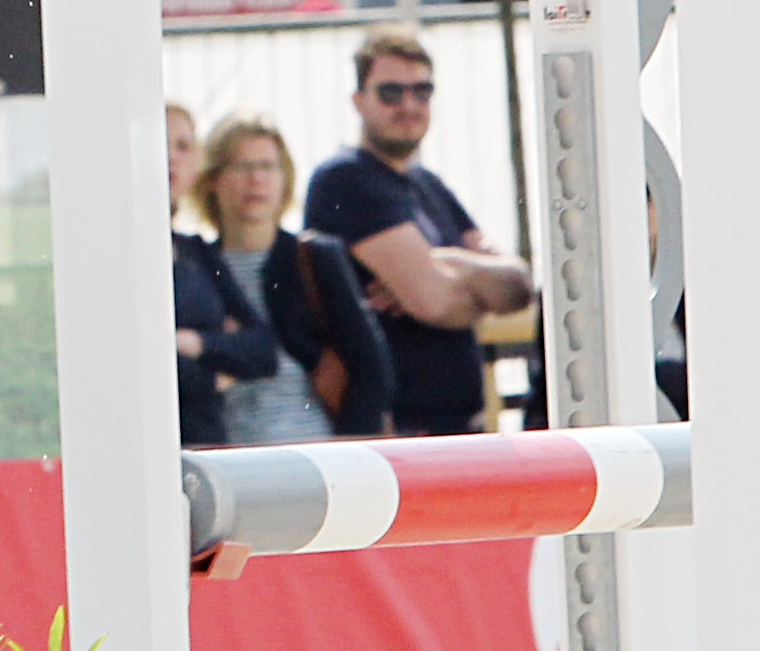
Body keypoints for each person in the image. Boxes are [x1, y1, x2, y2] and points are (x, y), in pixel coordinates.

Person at [305, 25, 533, 436]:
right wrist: (476, 286)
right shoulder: (346, 180)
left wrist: (446, 263)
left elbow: (518, 287)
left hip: (462, 428)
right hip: (394, 433)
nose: (409, 104)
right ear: (358, 100)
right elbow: (435, 303)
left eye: (422, 91)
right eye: (391, 92)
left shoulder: (428, 185)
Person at [195, 113, 392, 441]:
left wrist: (350, 453)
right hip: (223, 459)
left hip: (312, 451)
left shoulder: (313, 258)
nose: (256, 178)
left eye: (269, 167)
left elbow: (372, 371)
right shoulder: (196, 264)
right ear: (213, 179)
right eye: (241, 166)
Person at [164, 98, 278, 445]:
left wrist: (195, 342)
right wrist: (211, 377)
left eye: (183, 146)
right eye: (157, 143)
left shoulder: (197, 252)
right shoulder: (113, 255)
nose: (170, 157)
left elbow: (263, 351)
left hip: (208, 450)